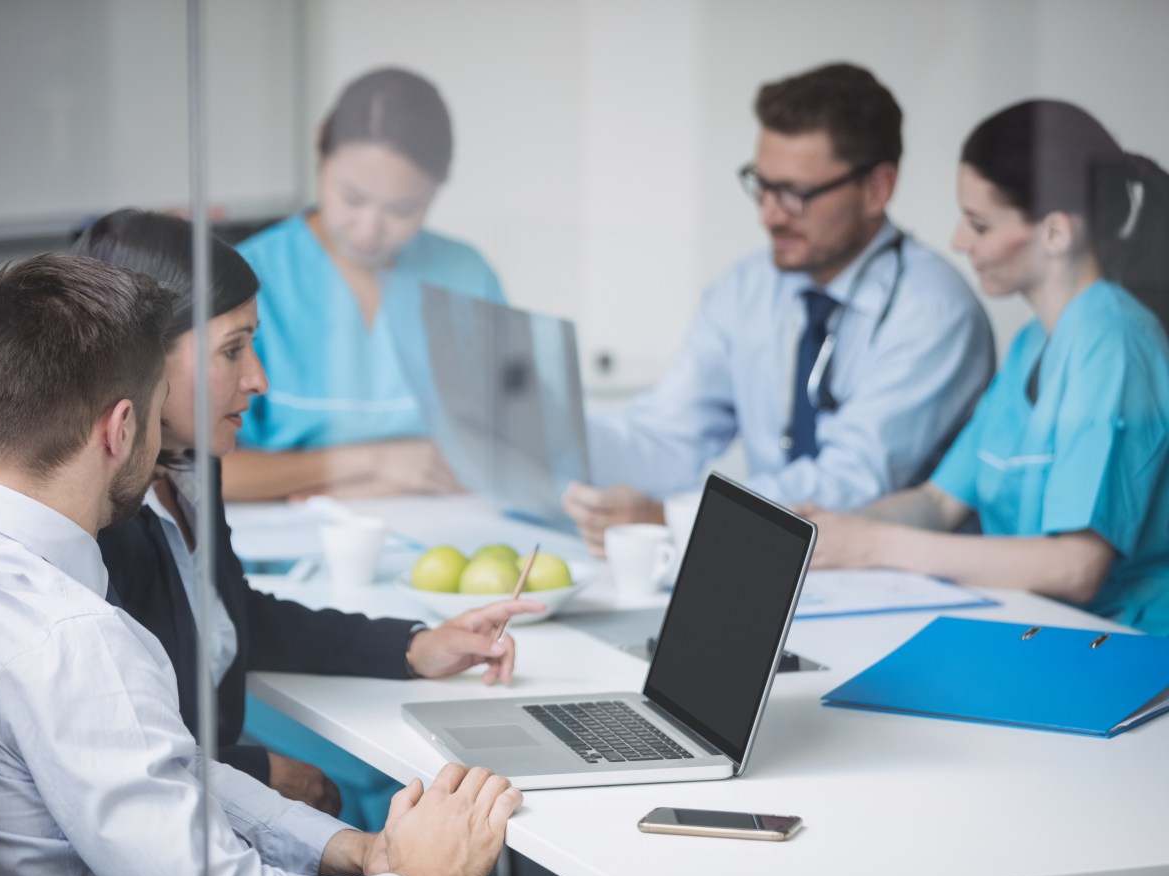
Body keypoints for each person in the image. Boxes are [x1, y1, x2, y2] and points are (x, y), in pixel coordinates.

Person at [0, 252, 522, 876]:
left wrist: (344, 846)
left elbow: (159, 769)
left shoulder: (5, 575)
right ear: (121, 430)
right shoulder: (73, 637)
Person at [75, 209, 542, 831]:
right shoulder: (94, 520)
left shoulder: (186, 465)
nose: (259, 379)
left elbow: (230, 614)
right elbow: (109, 745)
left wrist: (416, 646)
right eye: (233, 350)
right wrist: (256, 771)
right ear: (145, 362)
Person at [563, 62, 995, 555]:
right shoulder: (747, 287)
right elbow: (667, 437)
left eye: (794, 193)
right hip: (763, 567)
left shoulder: (935, 312)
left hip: (894, 588)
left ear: (877, 188)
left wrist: (675, 520)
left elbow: (849, 484)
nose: (769, 214)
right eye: (761, 185)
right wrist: (547, 436)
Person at [803, 100, 1169, 635]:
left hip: (1127, 648)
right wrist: (831, 530)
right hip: (1044, 631)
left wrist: (875, 546)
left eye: (979, 223)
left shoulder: (1112, 343)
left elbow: (1076, 568)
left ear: (1055, 233)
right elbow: (937, 502)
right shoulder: (1033, 344)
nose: (958, 241)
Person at [225, 66, 507, 502]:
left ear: (436, 191)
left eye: (404, 208)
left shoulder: (466, 276)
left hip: (444, 533)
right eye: (352, 197)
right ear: (321, 146)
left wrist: (324, 482)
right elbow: (200, 473)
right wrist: (374, 462)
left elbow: (509, 446)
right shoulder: (246, 277)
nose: (370, 227)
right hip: (289, 546)